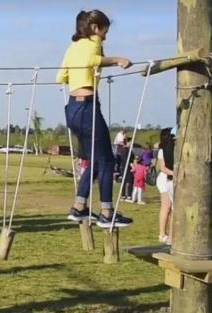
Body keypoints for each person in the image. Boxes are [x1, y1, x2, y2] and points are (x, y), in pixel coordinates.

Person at [57, 9, 134, 228]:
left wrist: (82, 75)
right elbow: (93, 60)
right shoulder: (93, 43)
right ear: (94, 28)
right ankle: (107, 212)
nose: (105, 37)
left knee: (97, 160)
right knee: (108, 161)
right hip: (88, 107)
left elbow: (60, 77)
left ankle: (79, 207)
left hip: (72, 109)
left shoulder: (72, 47)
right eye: (105, 32)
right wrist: (118, 60)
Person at [156, 127, 175, 245]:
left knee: (168, 207)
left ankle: (165, 234)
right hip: (165, 178)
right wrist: (175, 173)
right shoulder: (163, 149)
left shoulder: (163, 149)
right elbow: (162, 168)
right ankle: (164, 234)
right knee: (167, 207)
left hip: (167, 178)